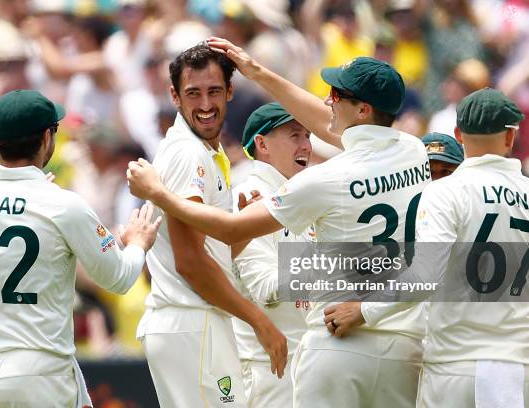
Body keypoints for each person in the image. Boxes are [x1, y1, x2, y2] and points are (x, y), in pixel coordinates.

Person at [128, 43, 429, 407]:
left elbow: (230, 230)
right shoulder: (413, 150)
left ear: (363, 109)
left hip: (338, 342)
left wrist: (159, 195)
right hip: (403, 344)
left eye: (337, 95)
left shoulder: (323, 179)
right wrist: (257, 71)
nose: (327, 101)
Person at [0, 89, 161, 408]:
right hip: (40, 373)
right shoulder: (63, 204)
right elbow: (120, 278)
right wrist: (138, 243)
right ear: (47, 138)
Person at [325, 88, 528, 407]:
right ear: (511, 136)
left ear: (459, 135)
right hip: (519, 370)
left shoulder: (447, 192)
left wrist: (364, 310)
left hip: (455, 366)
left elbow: (424, 276)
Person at [135, 44, 286, 408]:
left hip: (192, 323)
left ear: (230, 91)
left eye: (214, 91)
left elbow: (212, 253)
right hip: (192, 320)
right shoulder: (189, 154)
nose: (205, 105)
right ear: (174, 96)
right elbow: (191, 261)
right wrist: (260, 322)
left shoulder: (204, 151)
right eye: (193, 93)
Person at [233, 102, 311, 407]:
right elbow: (266, 289)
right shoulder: (247, 199)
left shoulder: (300, 197)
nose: (306, 145)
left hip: (304, 364)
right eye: (294, 136)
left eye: (307, 135)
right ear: (262, 144)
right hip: (268, 370)